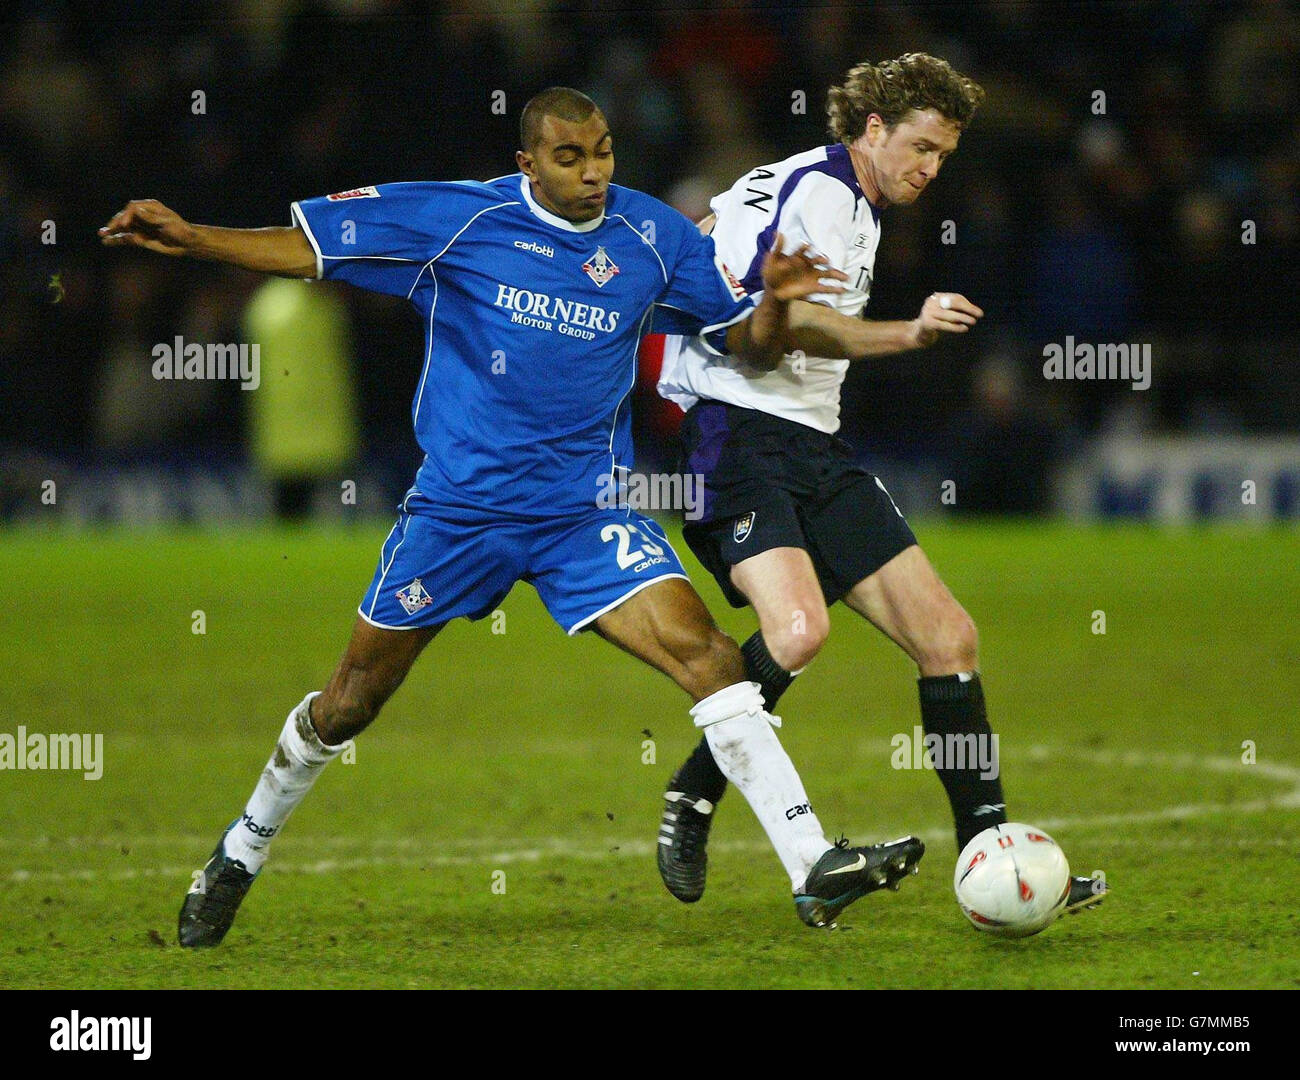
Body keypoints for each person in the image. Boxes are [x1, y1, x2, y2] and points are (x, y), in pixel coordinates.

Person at [100, 88, 925, 946]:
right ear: (528, 163)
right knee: (350, 702)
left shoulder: (652, 236)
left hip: (582, 510)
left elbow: (740, 345)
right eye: (571, 158)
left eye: (603, 152)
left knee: (712, 655)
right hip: (461, 512)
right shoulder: (458, 218)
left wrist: (772, 309)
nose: (594, 172)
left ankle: (810, 865)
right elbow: (311, 250)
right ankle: (241, 849)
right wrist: (196, 239)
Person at [654, 55, 1107, 918]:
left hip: (813, 446)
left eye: (943, 154)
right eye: (921, 147)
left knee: (948, 637)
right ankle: (693, 794)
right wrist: (909, 332)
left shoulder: (838, 197)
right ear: (871, 128)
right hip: (734, 436)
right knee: (796, 630)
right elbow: (768, 330)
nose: (930, 169)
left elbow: (728, 251)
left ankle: (994, 857)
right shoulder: (820, 194)